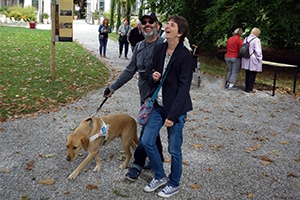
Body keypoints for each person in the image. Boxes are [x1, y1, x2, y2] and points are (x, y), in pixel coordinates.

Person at [103, 13, 164, 180]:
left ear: (157, 25)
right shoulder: (139, 47)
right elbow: (130, 71)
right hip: (145, 96)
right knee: (152, 131)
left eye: (151, 22)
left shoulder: (164, 45)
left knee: (146, 131)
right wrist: (112, 88)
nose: (147, 25)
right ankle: (156, 158)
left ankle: (137, 163)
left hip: (161, 97)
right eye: (143, 22)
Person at [141, 15, 194, 198]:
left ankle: (174, 183)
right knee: (147, 141)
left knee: (174, 149)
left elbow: (183, 89)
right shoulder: (160, 48)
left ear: (179, 33)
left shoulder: (185, 56)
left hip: (176, 110)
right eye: (168, 24)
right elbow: (149, 70)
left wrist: (172, 116)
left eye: (172, 25)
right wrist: (153, 75)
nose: (167, 27)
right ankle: (160, 176)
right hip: (157, 105)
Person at [241, 27, 262, 93]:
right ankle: (249, 88)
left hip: (246, 57)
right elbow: (258, 51)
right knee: (252, 74)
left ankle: (246, 87)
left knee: (247, 73)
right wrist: (259, 58)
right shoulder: (256, 40)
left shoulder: (246, 38)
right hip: (253, 58)